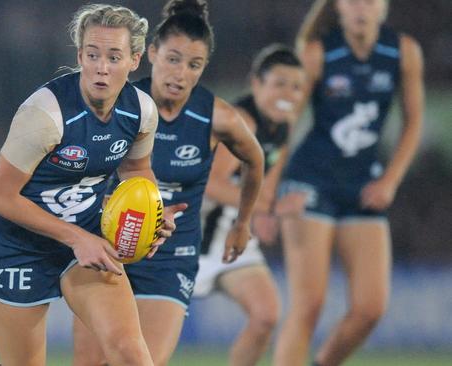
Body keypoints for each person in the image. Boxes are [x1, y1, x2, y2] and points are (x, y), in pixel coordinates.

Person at [0, 4, 186, 366]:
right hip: (17, 247)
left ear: (134, 60)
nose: (102, 67)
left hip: (86, 242)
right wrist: (76, 238)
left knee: (133, 357)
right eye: (93, 54)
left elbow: (137, 171)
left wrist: (152, 211)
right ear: (79, 56)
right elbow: (0, 196)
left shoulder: (141, 112)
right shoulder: (45, 115)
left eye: (114, 56)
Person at [72, 1, 265, 365]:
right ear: (151, 54)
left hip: (172, 257)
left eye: (194, 65)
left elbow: (255, 160)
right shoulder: (122, 103)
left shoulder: (216, 116)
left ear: (204, 67)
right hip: (108, 247)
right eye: (173, 59)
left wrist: (243, 222)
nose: (180, 74)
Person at [272, 0, 424, 365]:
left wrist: (390, 180)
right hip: (310, 182)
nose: (361, 7)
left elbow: (413, 122)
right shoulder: (316, 53)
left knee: (370, 308)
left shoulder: (403, 51)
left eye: (369, 0)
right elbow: (286, 126)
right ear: (338, 6)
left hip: (362, 186)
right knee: (308, 304)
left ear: (384, 6)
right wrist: (269, 194)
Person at [194, 44, 306, 366]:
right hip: (194, 236)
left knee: (266, 314)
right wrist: (272, 209)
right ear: (257, 84)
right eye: (280, 84)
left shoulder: (283, 126)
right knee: (147, 336)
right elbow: (211, 185)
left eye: (297, 86)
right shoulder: (242, 121)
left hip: (234, 234)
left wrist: (267, 214)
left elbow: (266, 189)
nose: (289, 93)